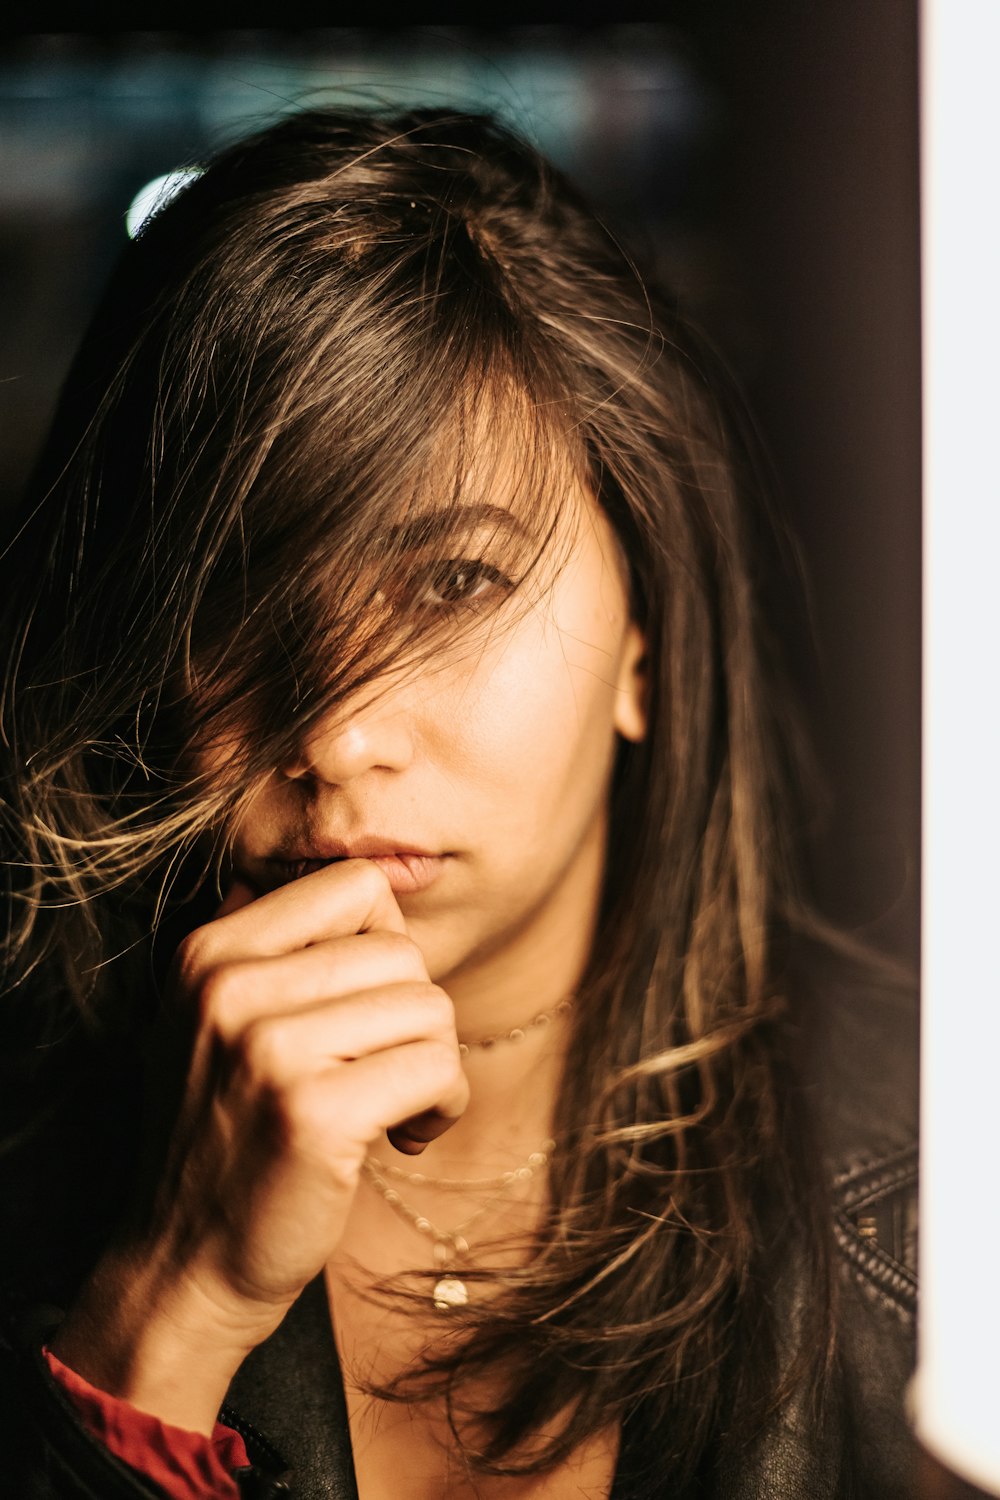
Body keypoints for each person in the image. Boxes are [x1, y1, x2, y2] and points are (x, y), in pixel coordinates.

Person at [0, 108, 917, 1499]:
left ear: (647, 640)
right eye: (235, 601)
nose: (341, 732)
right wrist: (167, 1318)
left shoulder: (944, 1196)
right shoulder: (34, 1173)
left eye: (454, 583)